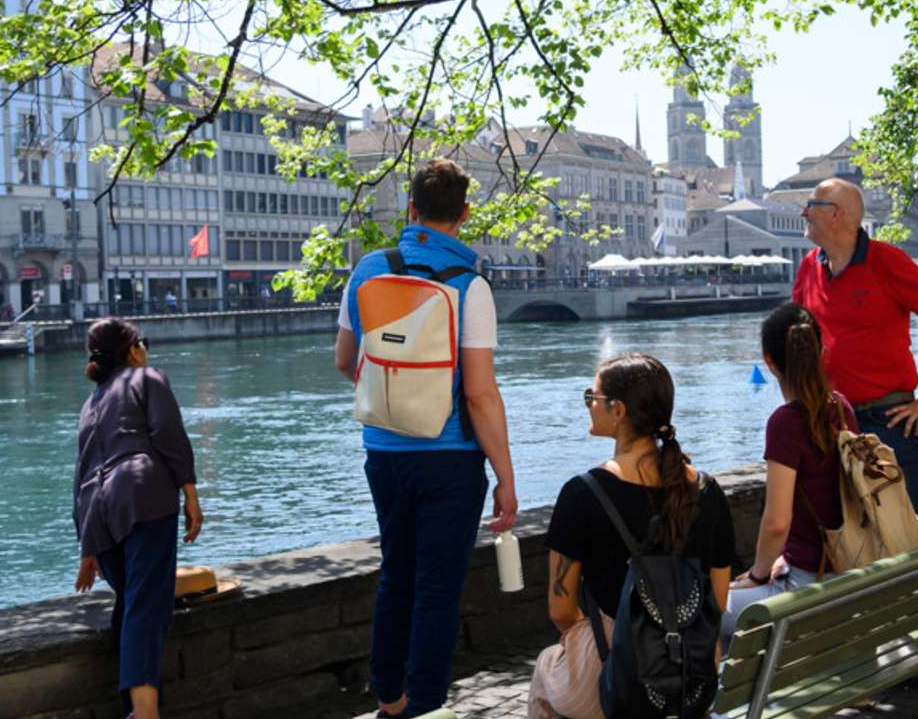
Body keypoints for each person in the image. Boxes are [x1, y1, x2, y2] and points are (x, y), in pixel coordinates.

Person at [336, 158, 518, 719]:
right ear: (463, 215)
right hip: (451, 459)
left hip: (384, 452)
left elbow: (347, 362)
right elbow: (480, 395)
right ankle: (428, 707)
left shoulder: (368, 269)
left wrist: (398, 393)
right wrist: (506, 479)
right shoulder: (470, 285)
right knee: (438, 588)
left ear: (411, 208)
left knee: (397, 573)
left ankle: (389, 698)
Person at [528, 352, 737, 719]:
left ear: (618, 410)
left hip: (617, 670)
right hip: (693, 672)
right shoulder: (706, 488)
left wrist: (601, 641)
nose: (589, 405)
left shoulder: (583, 492)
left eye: (592, 397)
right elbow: (717, 602)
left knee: (548, 666)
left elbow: (561, 610)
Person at [794, 178, 918, 510]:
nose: (804, 212)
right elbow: (797, 340)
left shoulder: (886, 260)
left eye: (812, 205)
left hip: (887, 421)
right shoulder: (808, 268)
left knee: (898, 535)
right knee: (839, 535)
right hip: (829, 421)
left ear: (837, 214)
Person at [73, 318, 203, 719]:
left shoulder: (91, 403)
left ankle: (134, 707)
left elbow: (83, 472)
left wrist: (88, 546)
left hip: (97, 513)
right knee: (148, 605)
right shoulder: (146, 377)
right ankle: (146, 712)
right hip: (143, 496)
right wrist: (191, 495)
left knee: (131, 604)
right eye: (141, 342)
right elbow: (169, 436)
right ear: (133, 351)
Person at [720, 303, 858, 645]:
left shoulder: (785, 423)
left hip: (808, 586)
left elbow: (776, 522)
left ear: (769, 360)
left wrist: (758, 574)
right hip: (850, 573)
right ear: (820, 350)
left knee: (700, 612)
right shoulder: (842, 408)